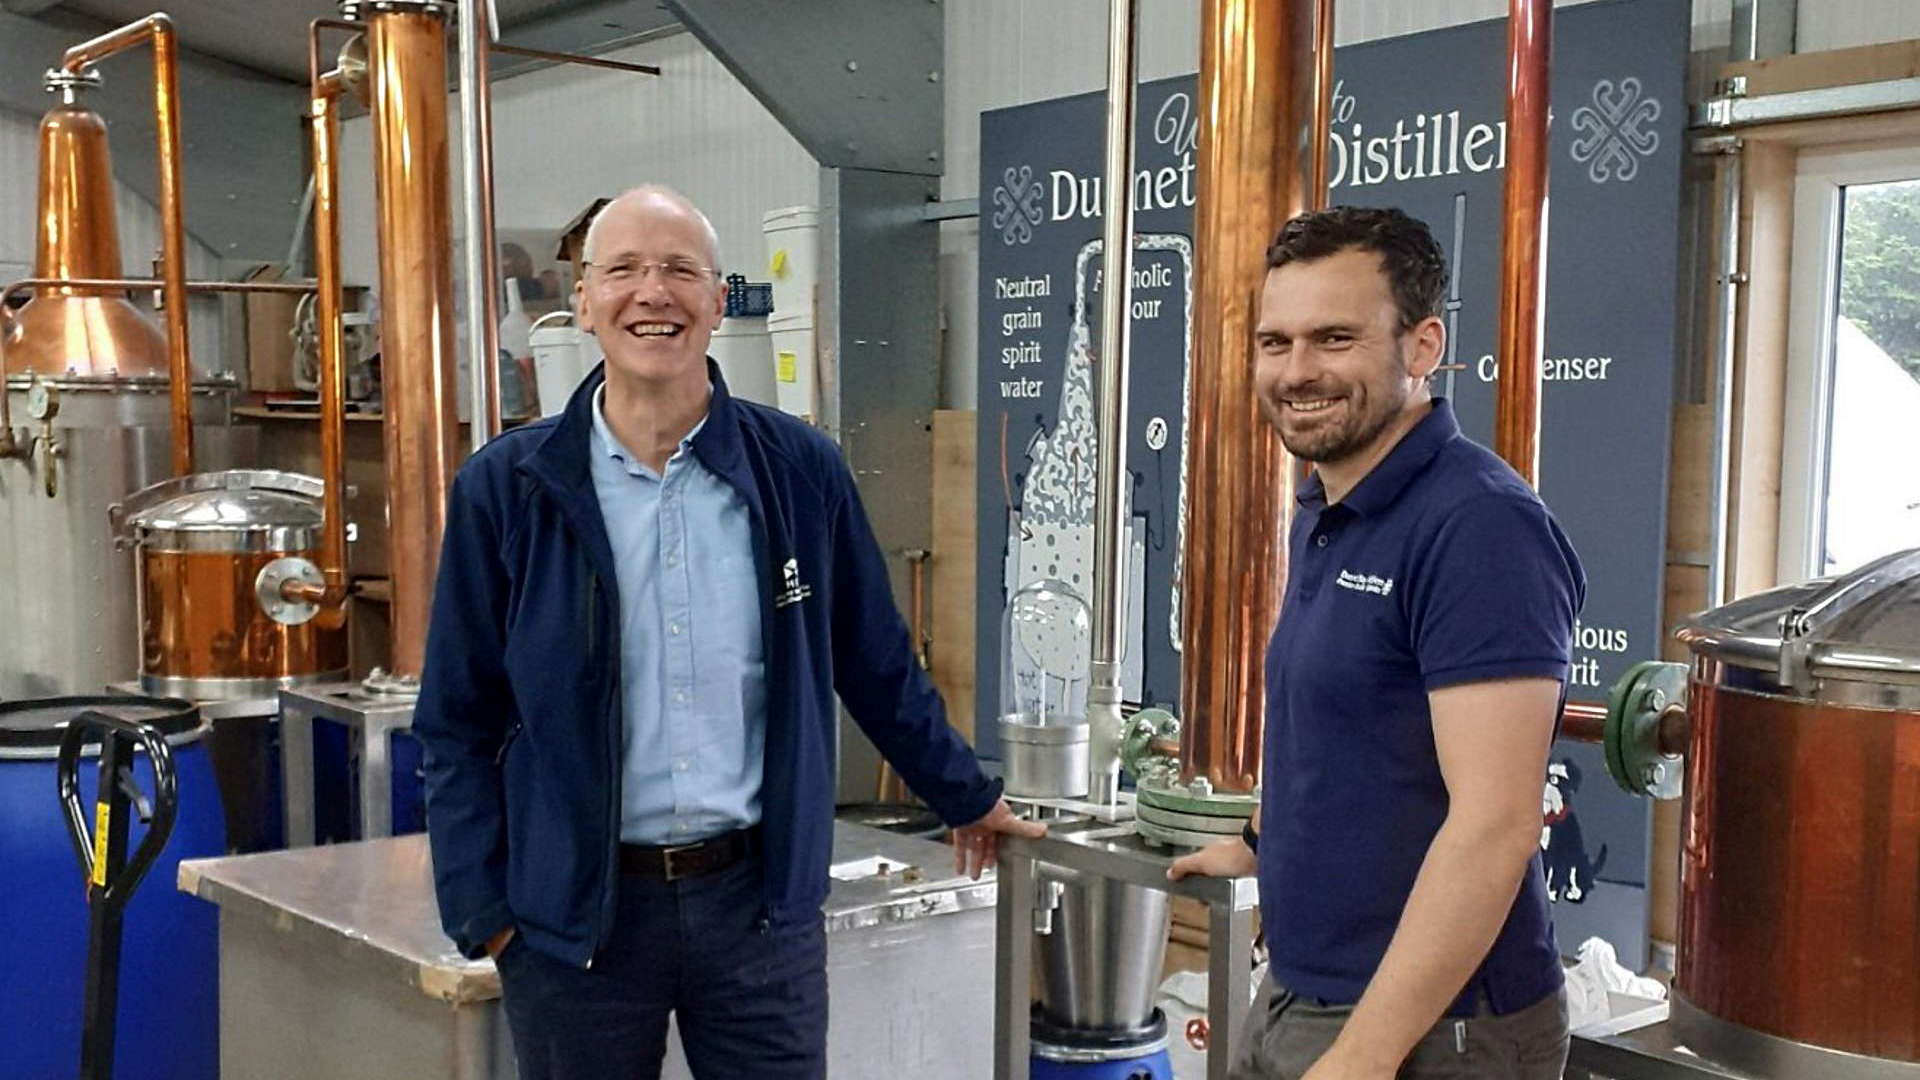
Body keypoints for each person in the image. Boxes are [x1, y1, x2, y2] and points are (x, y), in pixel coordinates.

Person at [414, 185, 1041, 1080]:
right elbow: (456, 718)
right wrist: (485, 910)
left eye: (680, 270)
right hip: (576, 926)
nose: (653, 292)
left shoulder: (800, 472)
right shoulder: (508, 488)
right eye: (623, 270)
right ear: (584, 302)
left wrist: (965, 795)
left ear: (717, 300)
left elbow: (874, 661)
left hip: (756, 913)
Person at [1169, 206, 1585, 1080]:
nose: (1297, 372)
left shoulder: (1480, 527)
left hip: (1437, 1029)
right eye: (1275, 343)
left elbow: (1496, 824)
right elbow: (1346, 726)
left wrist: (1365, 1052)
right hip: (1303, 990)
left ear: (1423, 346)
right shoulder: (1328, 505)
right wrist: (1259, 840)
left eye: (1334, 338)